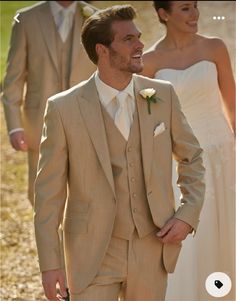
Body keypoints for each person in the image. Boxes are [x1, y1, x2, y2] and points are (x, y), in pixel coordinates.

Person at [34, 4, 205, 301]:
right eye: (128, 40)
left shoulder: (161, 94)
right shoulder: (63, 108)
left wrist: (188, 214)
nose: (140, 45)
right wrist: (50, 266)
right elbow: (48, 196)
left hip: (152, 248)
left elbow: (193, 158)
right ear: (102, 50)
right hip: (92, 254)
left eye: (138, 37)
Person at [141, 1, 235, 301]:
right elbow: (148, 122)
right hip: (180, 161)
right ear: (163, 14)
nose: (194, 14)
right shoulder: (149, 62)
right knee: (195, 237)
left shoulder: (215, 48)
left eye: (195, 6)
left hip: (223, 154)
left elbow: (232, 106)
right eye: (184, 8)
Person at [1, 1, 97, 205]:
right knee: (41, 194)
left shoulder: (98, 19)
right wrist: (15, 126)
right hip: (40, 122)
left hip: (87, 120)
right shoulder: (26, 19)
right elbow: (13, 78)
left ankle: (75, 237)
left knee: (85, 193)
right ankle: (46, 236)